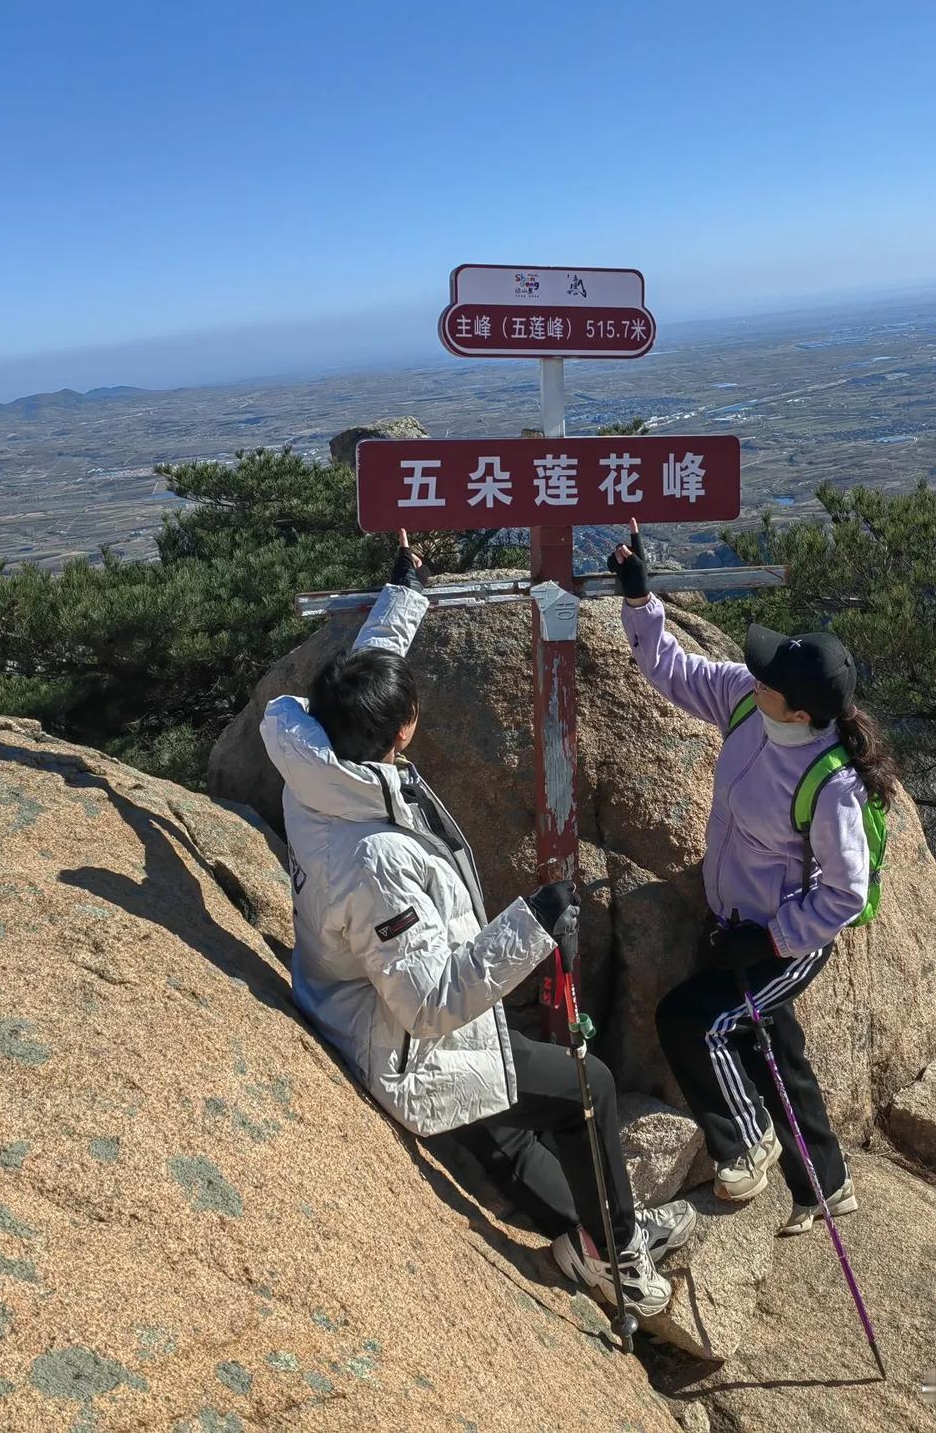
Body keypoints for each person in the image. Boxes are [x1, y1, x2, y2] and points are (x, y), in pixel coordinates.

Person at [259, 531, 695, 1317]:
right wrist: (536, 920)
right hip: (399, 1036)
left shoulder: (316, 759)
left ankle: (593, 1235)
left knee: (516, 1124)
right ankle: (621, 1258)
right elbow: (427, 1007)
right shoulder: (374, 859)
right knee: (587, 1087)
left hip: (353, 994)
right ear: (400, 736)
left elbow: (364, 676)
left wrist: (405, 592)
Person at [608, 520, 899, 1237]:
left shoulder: (831, 786)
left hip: (785, 943)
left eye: (770, 676)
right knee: (775, 1047)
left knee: (695, 1021)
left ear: (801, 711)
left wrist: (772, 942)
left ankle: (746, 1142)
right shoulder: (747, 700)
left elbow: (844, 894)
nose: (753, 670)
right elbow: (673, 672)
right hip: (739, 924)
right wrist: (641, 601)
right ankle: (826, 1186)